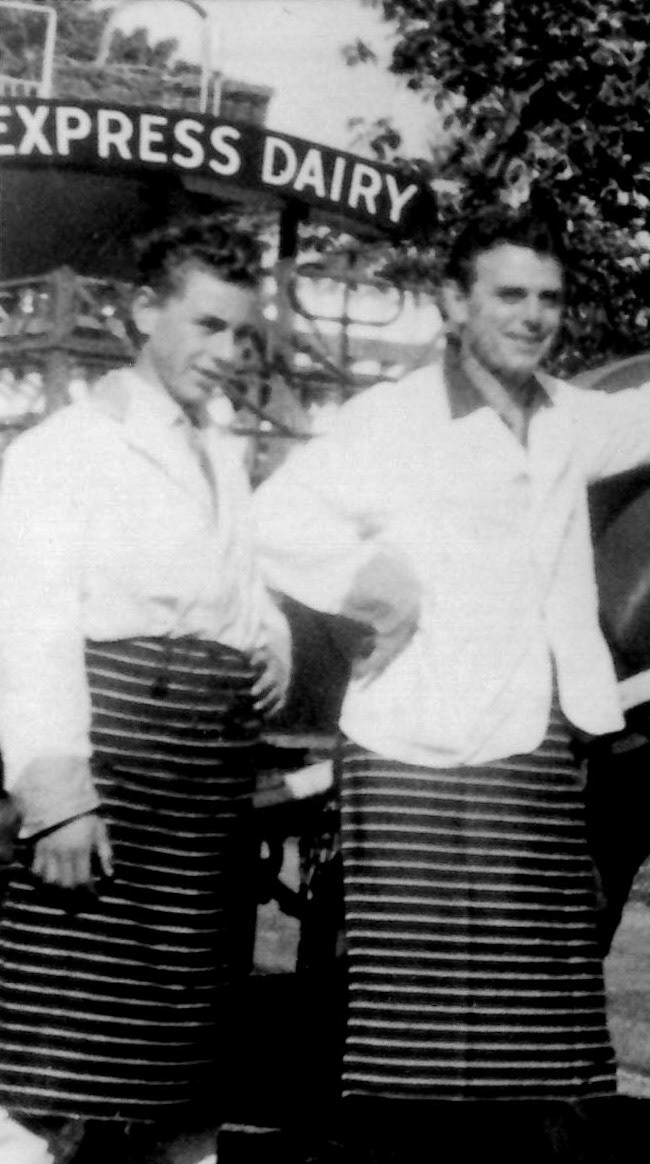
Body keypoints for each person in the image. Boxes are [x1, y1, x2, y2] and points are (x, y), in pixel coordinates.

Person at [251, 205, 650, 1156]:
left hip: (531, 745)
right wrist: (367, 585)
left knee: (536, 1027)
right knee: (414, 1031)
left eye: (548, 298)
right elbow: (273, 519)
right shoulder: (390, 421)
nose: (533, 316)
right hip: (411, 750)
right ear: (453, 304)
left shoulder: (563, 417)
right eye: (510, 295)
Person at [0, 217, 291, 1164]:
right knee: (49, 1077)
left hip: (204, 793)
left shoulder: (219, 449)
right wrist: (57, 797)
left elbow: (232, 586)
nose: (228, 353)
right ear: (141, 312)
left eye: (242, 333)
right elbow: (30, 629)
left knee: (184, 1078)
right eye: (208, 326)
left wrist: (269, 635)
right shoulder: (66, 450)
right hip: (110, 777)